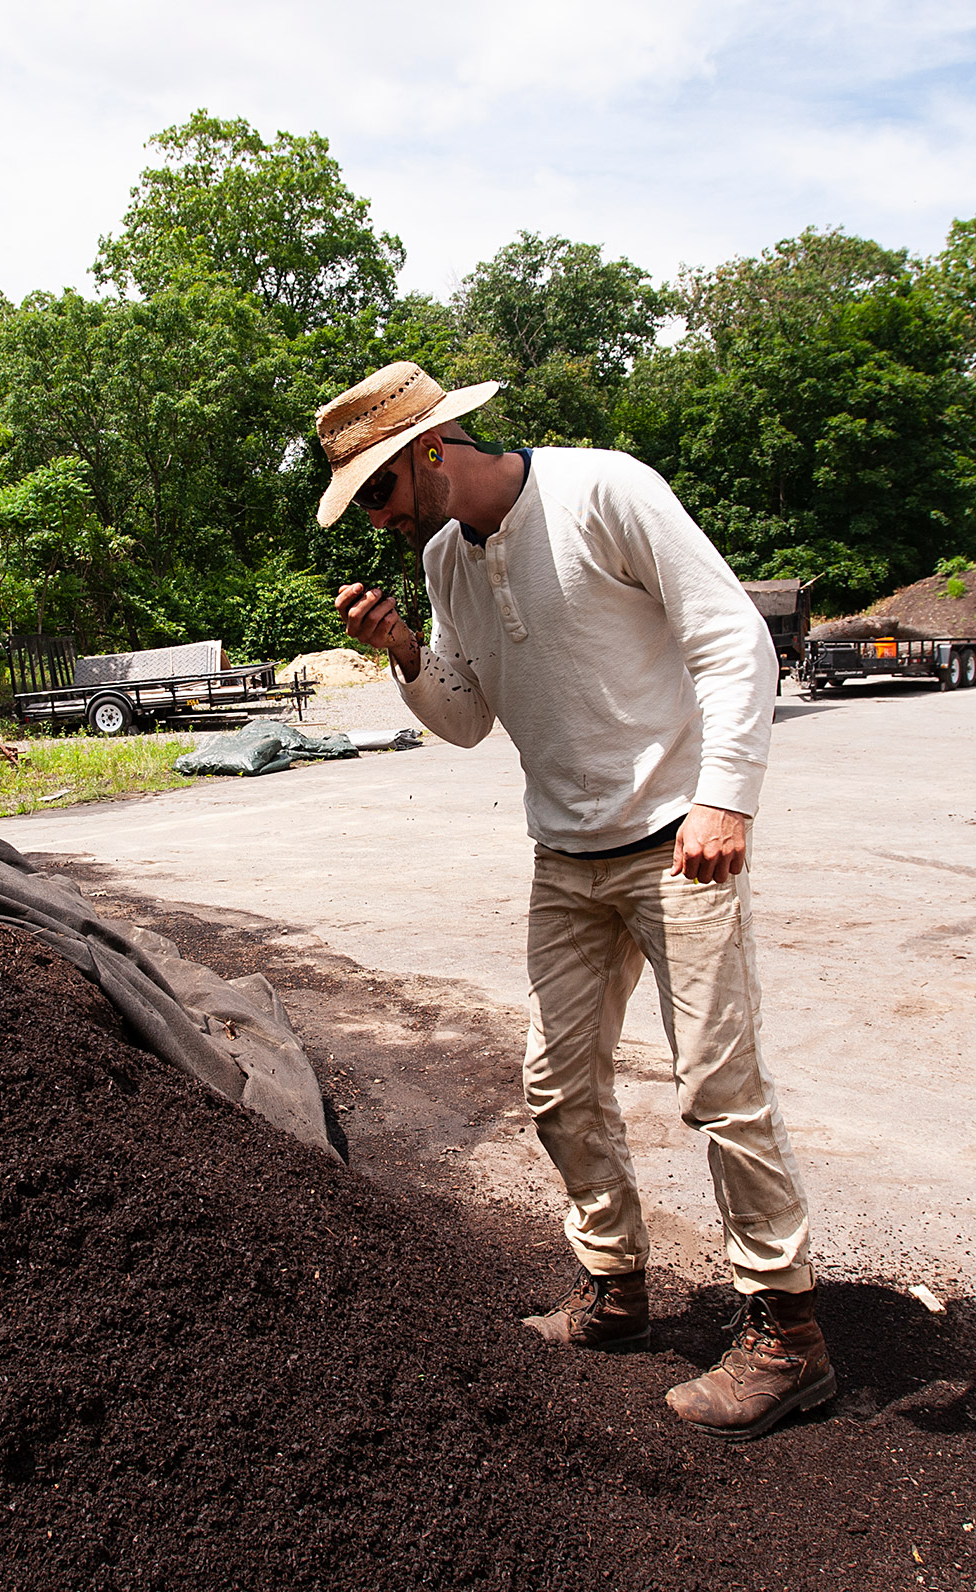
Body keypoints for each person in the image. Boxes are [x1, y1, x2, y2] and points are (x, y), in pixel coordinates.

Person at [315, 360, 835, 1441]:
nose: (374, 518)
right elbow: (465, 719)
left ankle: (787, 1332)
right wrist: (405, 652)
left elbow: (733, 638)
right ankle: (614, 1287)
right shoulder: (445, 563)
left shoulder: (606, 491)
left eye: (376, 490)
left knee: (717, 1084)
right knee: (555, 1081)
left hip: (678, 840)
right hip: (566, 855)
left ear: (427, 449)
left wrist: (725, 799)